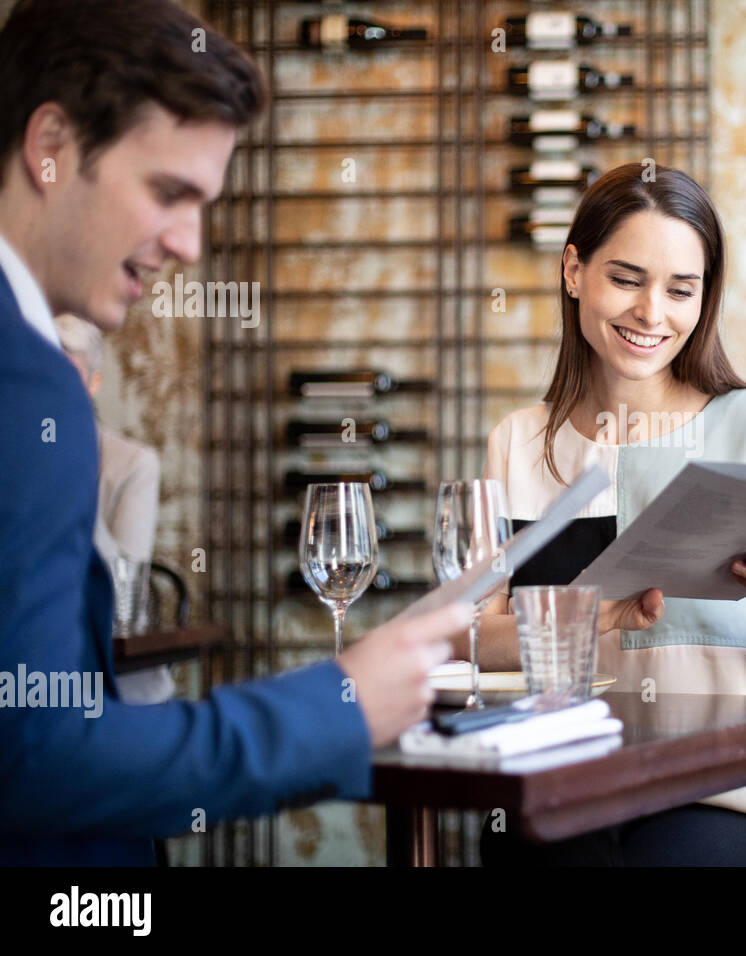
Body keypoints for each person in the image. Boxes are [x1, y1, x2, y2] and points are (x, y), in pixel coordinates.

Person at [0, 0, 469, 866]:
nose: (190, 243)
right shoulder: (30, 386)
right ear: (51, 148)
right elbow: (32, 758)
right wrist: (337, 707)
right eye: (169, 191)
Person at [471, 162, 746, 866]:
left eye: (682, 290)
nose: (652, 313)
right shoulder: (517, 443)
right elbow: (473, 640)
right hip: (564, 791)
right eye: (626, 278)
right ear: (573, 270)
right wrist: (590, 616)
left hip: (733, 800)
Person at [54, 313, 174, 705]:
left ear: (93, 383)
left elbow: (125, 595)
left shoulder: (133, 464)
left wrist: (69, 486)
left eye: (68, 376)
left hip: (113, 678)